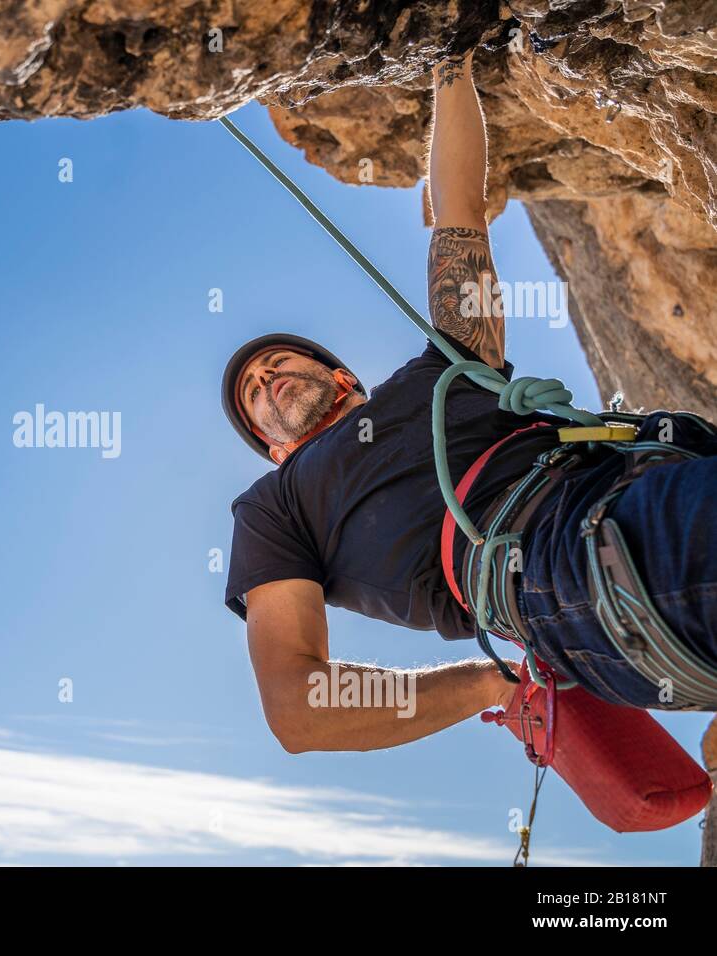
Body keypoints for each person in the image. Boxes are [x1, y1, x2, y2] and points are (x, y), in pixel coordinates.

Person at [221, 49, 717, 754]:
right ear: (274, 447)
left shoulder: (447, 368)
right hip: (562, 567)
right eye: (253, 394)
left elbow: (459, 213)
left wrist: (450, 59)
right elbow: (300, 708)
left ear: (342, 380)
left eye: (277, 364)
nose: (266, 380)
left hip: (645, 478)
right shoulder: (275, 507)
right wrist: (486, 685)